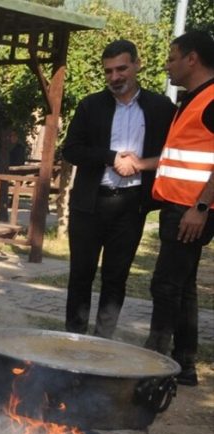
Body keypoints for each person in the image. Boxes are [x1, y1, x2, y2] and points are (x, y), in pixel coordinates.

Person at [60, 40, 176, 340]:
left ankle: (102, 342)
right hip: (89, 203)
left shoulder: (161, 108)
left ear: (137, 65)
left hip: (131, 205)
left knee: (116, 277)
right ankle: (74, 338)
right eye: (109, 71)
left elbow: (174, 152)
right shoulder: (90, 105)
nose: (115, 77)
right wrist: (111, 157)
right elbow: (71, 150)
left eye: (122, 68)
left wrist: (140, 165)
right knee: (81, 274)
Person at [143, 31, 214, 386]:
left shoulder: (212, 99)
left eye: (172, 57)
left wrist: (200, 207)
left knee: (165, 286)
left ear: (192, 59)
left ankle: (152, 363)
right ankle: (184, 364)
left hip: (192, 209)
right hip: (180, 205)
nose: (167, 65)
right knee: (182, 286)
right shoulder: (192, 99)